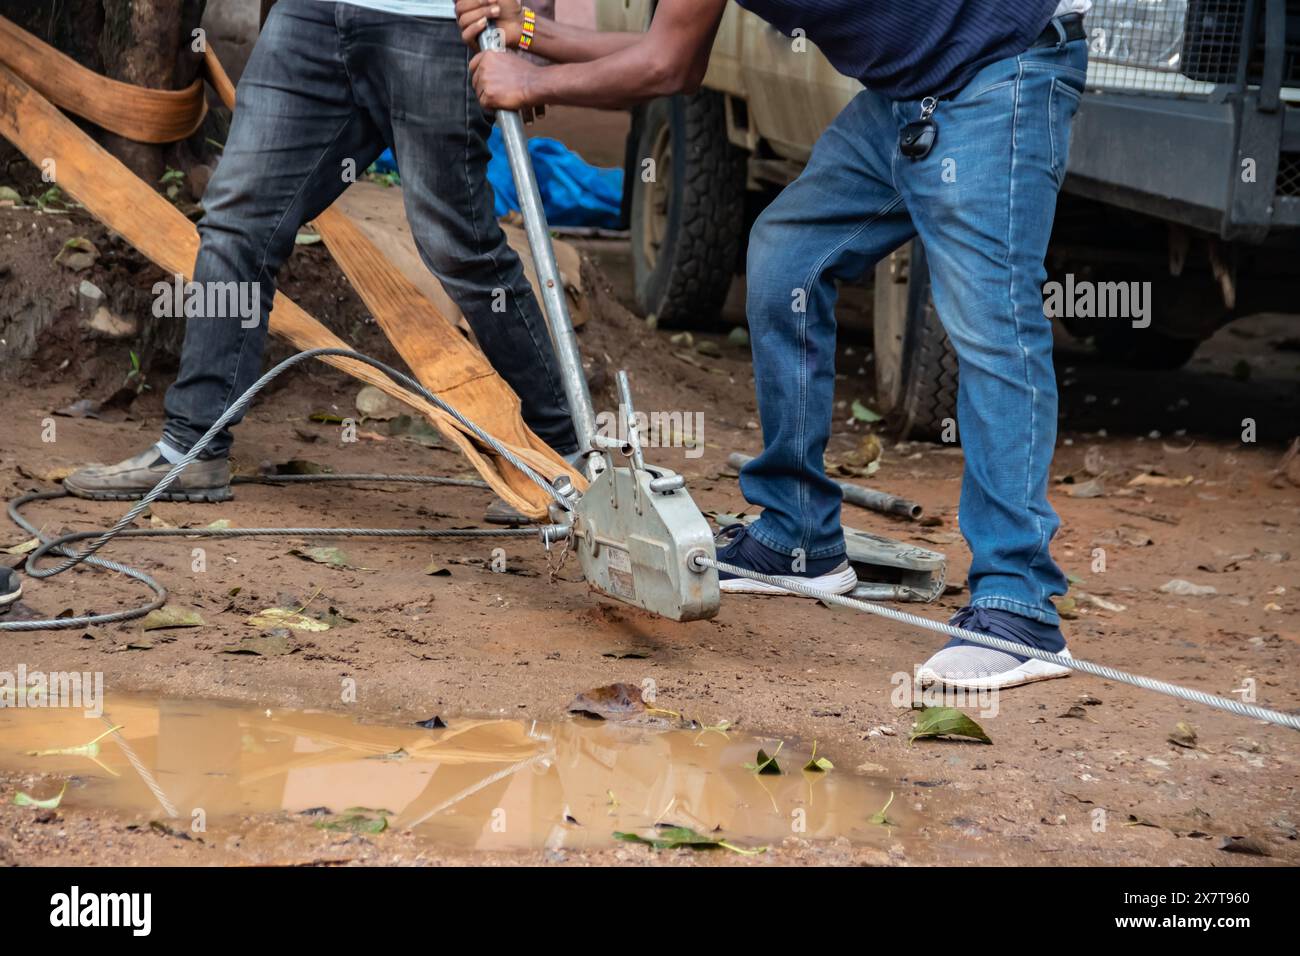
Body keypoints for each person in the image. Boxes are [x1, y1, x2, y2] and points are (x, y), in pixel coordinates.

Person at [454, 0, 1090, 690]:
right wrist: (523, 31)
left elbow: (668, 67)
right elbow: (668, 41)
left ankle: (1018, 605)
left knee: (992, 325)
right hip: (908, 95)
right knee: (789, 258)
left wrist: (531, 81)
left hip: (1001, 70)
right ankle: (799, 539)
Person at [63, 0, 579, 504]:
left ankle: (559, 455)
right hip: (309, 17)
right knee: (238, 216)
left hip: (439, 26)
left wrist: (530, 39)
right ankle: (192, 447)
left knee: (458, 246)